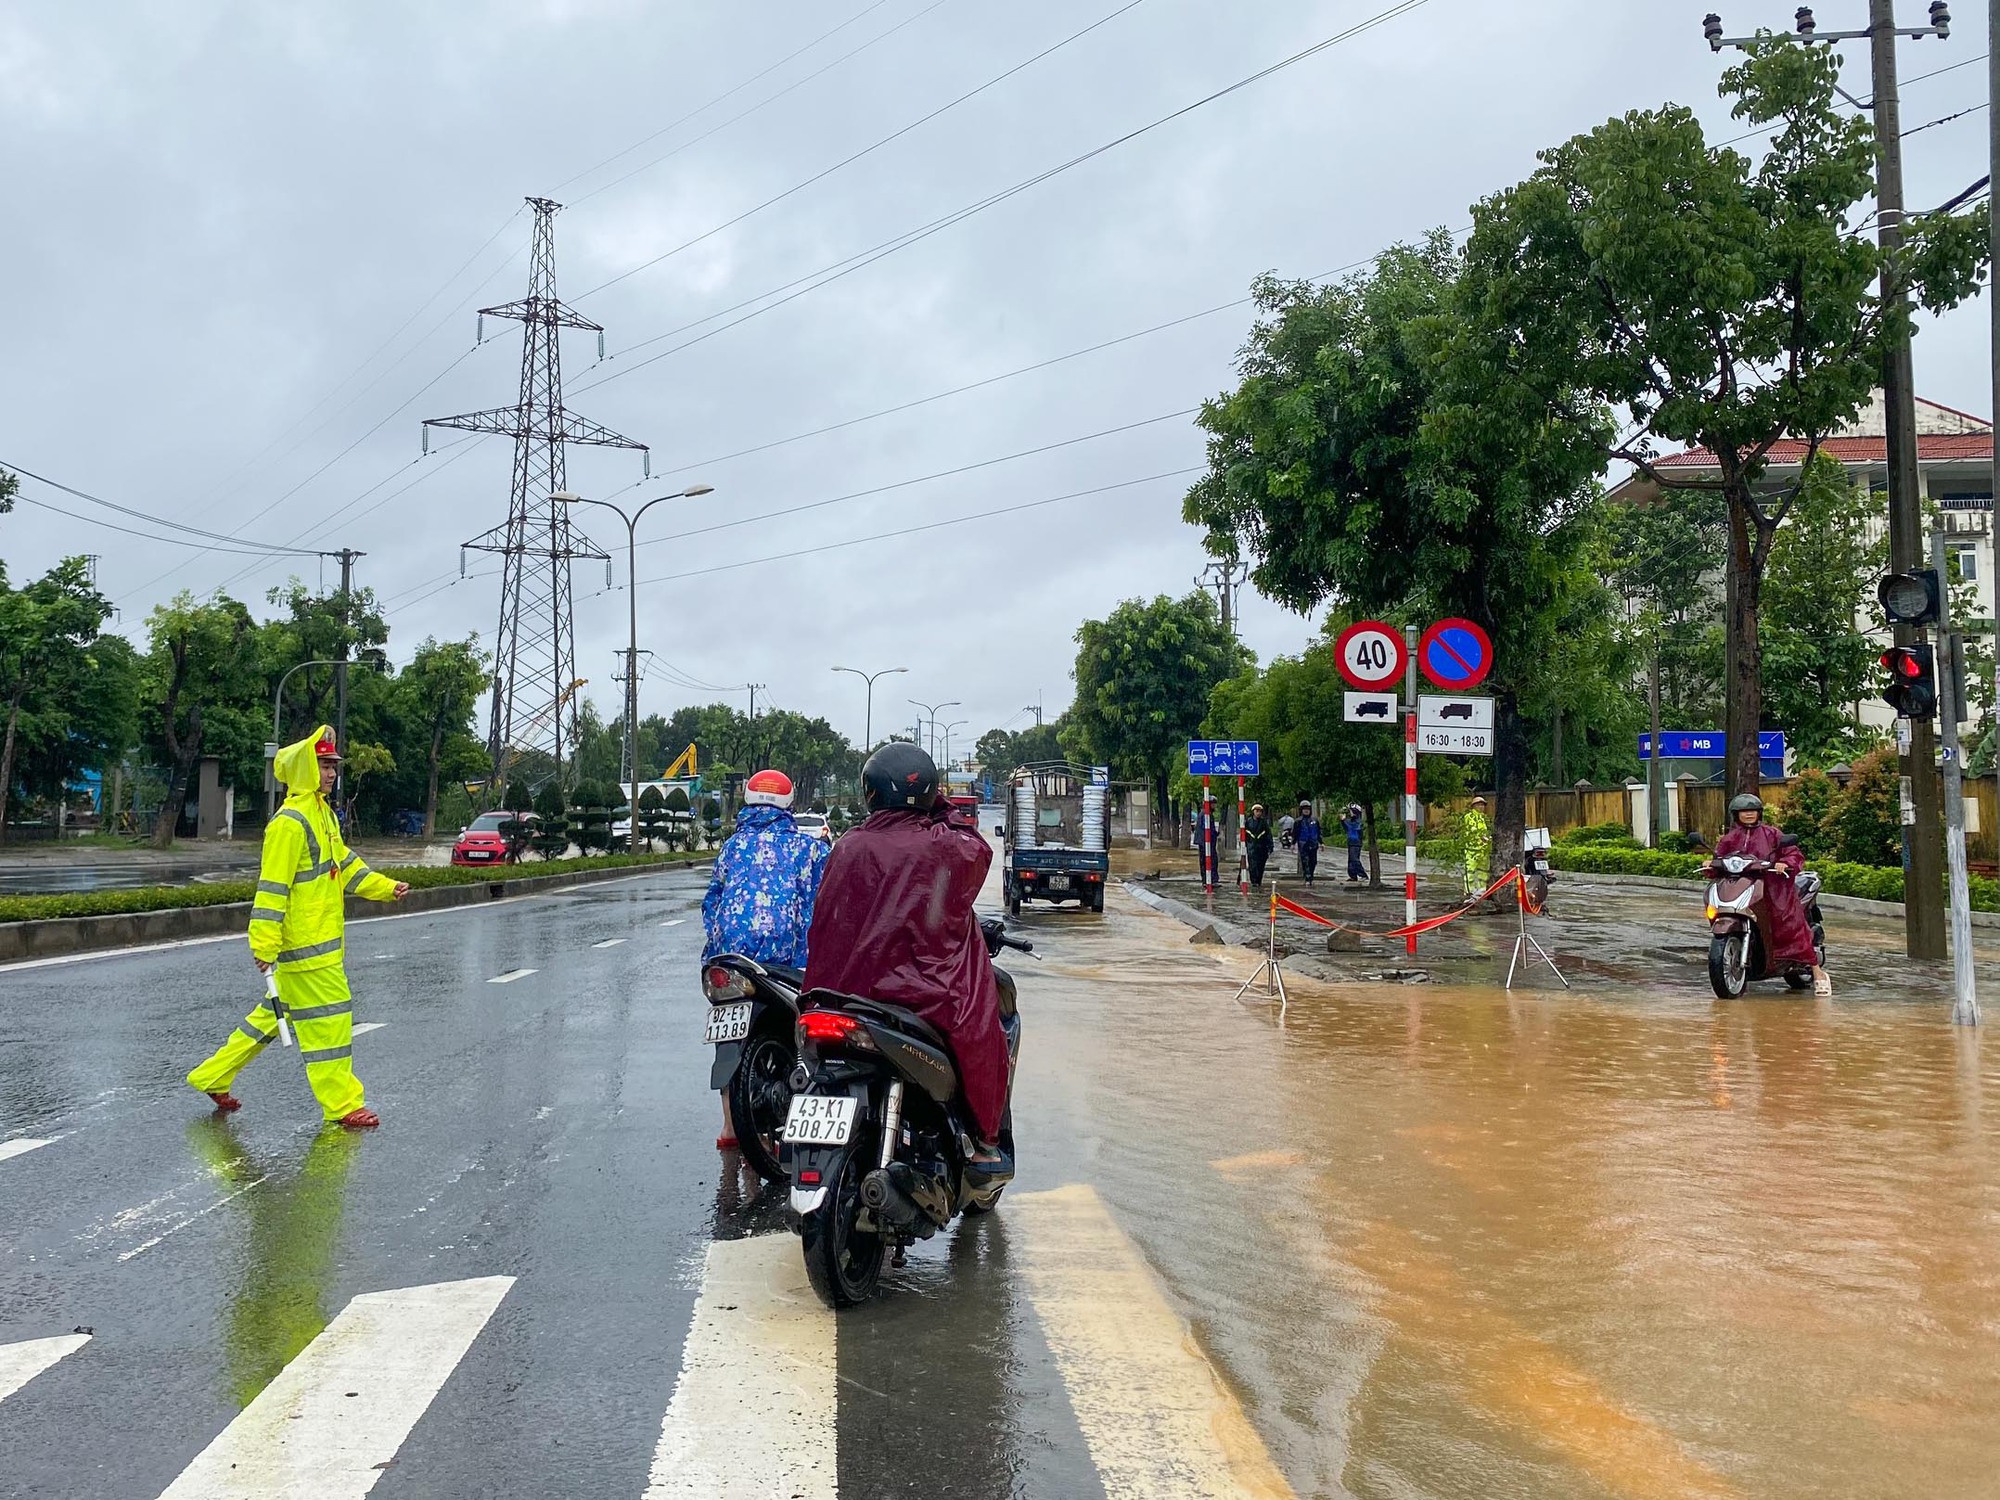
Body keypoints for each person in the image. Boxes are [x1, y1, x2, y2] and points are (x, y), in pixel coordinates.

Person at [803, 743, 1012, 1177]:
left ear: (870, 792)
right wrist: (942, 808)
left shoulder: (848, 846)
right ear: (931, 791)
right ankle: (985, 1143)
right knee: (980, 1028)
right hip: (925, 996)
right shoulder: (946, 845)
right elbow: (978, 851)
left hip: (845, 992)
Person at [187, 727, 408, 1128]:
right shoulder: (289, 823)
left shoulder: (321, 815)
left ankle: (212, 1075)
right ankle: (342, 1105)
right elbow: (272, 890)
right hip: (306, 950)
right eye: (324, 765)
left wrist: (386, 888)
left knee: (268, 1019)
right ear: (306, 768)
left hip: (318, 945)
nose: (331, 773)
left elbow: (346, 866)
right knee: (331, 1027)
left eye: (334, 766)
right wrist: (264, 944)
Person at [702, 768, 830, 1149]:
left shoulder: (731, 847)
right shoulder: (808, 849)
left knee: (728, 1033)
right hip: (786, 960)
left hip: (730, 959)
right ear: (789, 804)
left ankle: (729, 1128)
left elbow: (712, 903)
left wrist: (718, 944)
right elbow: (826, 904)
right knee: (802, 1033)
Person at [1714, 792, 1830, 995]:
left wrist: (1784, 863)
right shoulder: (1729, 838)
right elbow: (1719, 857)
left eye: (1752, 811)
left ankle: (1817, 971)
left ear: (1759, 813)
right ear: (1736, 815)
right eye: (1744, 811)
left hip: (1774, 888)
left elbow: (1793, 853)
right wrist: (1711, 863)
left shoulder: (1772, 834)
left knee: (1790, 924)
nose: (1748, 814)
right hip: (1745, 886)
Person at [1460, 795, 1492, 903]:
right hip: (1472, 849)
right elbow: (1473, 830)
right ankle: (1469, 892)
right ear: (1474, 806)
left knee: (1483, 871)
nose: (1481, 807)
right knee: (1470, 871)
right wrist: (1483, 838)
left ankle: (1481, 890)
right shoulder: (1469, 817)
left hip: (1483, 849)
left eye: (1483, 805)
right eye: (1479, 804)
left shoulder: (1482, 818)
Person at [1243, 804, 1273, 888]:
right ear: (1253, 812)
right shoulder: (1248, 822)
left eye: (1260, 811)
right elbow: (1244, 834)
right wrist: (1244, 844)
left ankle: (1258, 881)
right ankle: (1254, 882)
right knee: (1252, 866)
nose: (1258, 813)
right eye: (1257, 811)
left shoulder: (1264, 823)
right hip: (1252, 847)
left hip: (1262, 848)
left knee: (1260, 866)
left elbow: (1268, 835)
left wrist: (1270, 847)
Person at [1294, 801, 1322, 884]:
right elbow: (1295, 833)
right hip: (1303, 843)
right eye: (1304, 809)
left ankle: (1311, 876)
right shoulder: (1298, 821)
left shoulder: (1314, 820)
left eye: (1308, 809)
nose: (1306, 811)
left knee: (1313, 861)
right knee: (1305, 861)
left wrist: (1321, 842)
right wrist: (1293, 843)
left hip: (1313, 843)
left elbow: (1318, 832)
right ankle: (1307, 878)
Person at [1342, 804, 1366, 883]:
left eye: (1351, 811)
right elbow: (1347, 828)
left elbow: (1353, 827)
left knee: (1354, 859)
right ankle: (1353, 876)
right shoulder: (1351, 821)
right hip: (1351, 842)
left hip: (1356, 843)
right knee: (1351, 860)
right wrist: (1343, 821)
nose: (1350, 813)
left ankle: (1363, 875)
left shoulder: (1357, 822)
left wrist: (1344, 820)